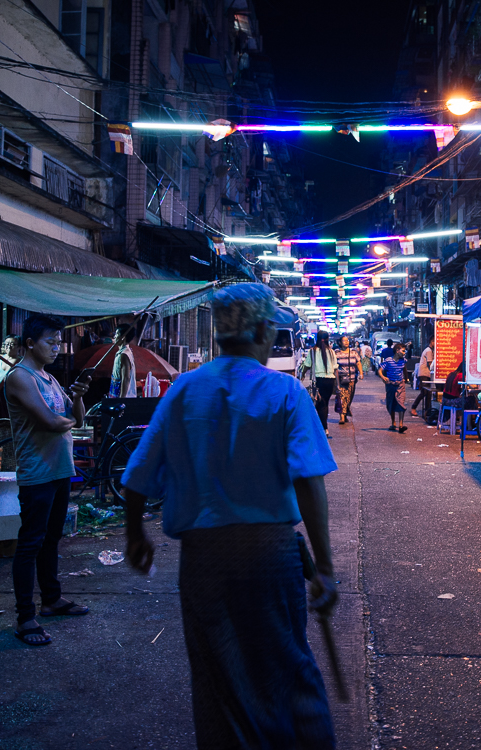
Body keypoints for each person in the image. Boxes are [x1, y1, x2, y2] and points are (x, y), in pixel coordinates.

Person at [121, 283, 338, 749]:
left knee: (219, 675)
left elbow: (137, 474)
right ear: (262, 331)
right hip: (270, 555)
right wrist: (324, 566)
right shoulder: (285, 392)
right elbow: (309, 480)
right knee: (284, 666)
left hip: (204, 562)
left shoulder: (185, 388)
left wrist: (135, 534)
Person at [4, 314, 91, 646]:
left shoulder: (49, 378)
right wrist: (66, 417)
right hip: (37, 473)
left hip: (60, 470)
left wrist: (79, 395)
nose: (57, 348)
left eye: (59, 342)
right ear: (30, 343)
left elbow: (77, 418)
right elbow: (51, 423)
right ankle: (26, 617)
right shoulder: (20, 377)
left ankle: (52, 600)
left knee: (52, 539)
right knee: (30, 543)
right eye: (50, 342)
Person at [301, 331, 338, 437]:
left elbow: (306, 365)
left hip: (318, 381)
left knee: (320, 405)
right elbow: (335, 368)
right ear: (327, 339)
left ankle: (323, 428)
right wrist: (338, 384)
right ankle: (323, 428)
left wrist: (302, 375)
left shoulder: (312, 351)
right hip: (330, 380)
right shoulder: (331, 351)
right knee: (324, 403)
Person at [379, 342, 410, 433]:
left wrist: (406, 378)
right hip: (390, 385)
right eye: (403, 351)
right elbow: (380, 370)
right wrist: (383, 377)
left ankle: (401, 425)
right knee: (391, 404)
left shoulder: (403, 360)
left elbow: (404, 369)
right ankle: (393, 423)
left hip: (400, 384)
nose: (404, 353)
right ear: (397, 351)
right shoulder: (388, 361)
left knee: (401, 403)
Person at [334, 335, 362, 426]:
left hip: (352, 379)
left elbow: (358, 363)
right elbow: (333, 365)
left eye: (347, 340)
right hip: (341, 379)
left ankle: (345, 413)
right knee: (342, 397)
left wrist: (361, 373)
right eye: (344, 341)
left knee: (349, 397)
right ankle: (342, 417)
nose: (346, 342)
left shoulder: (353, 352)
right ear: (340, 342)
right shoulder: (336, 353)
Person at [108, 323, 138, 398]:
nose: (114, 337)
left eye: (117, 334)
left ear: (123, 337)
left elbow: (126, 378)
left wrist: (122, 399)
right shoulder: (122, 352)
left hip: (124, 397)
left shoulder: (124, 354)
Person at [411, 337, 435, 417]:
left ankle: (427, 411)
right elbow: (430, 364)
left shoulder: (431, 350)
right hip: (424, 374)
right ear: (432, 341)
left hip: (426, 374)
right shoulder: (428, 351)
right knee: (424, 392)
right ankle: (413, 407)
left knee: (428, 393)